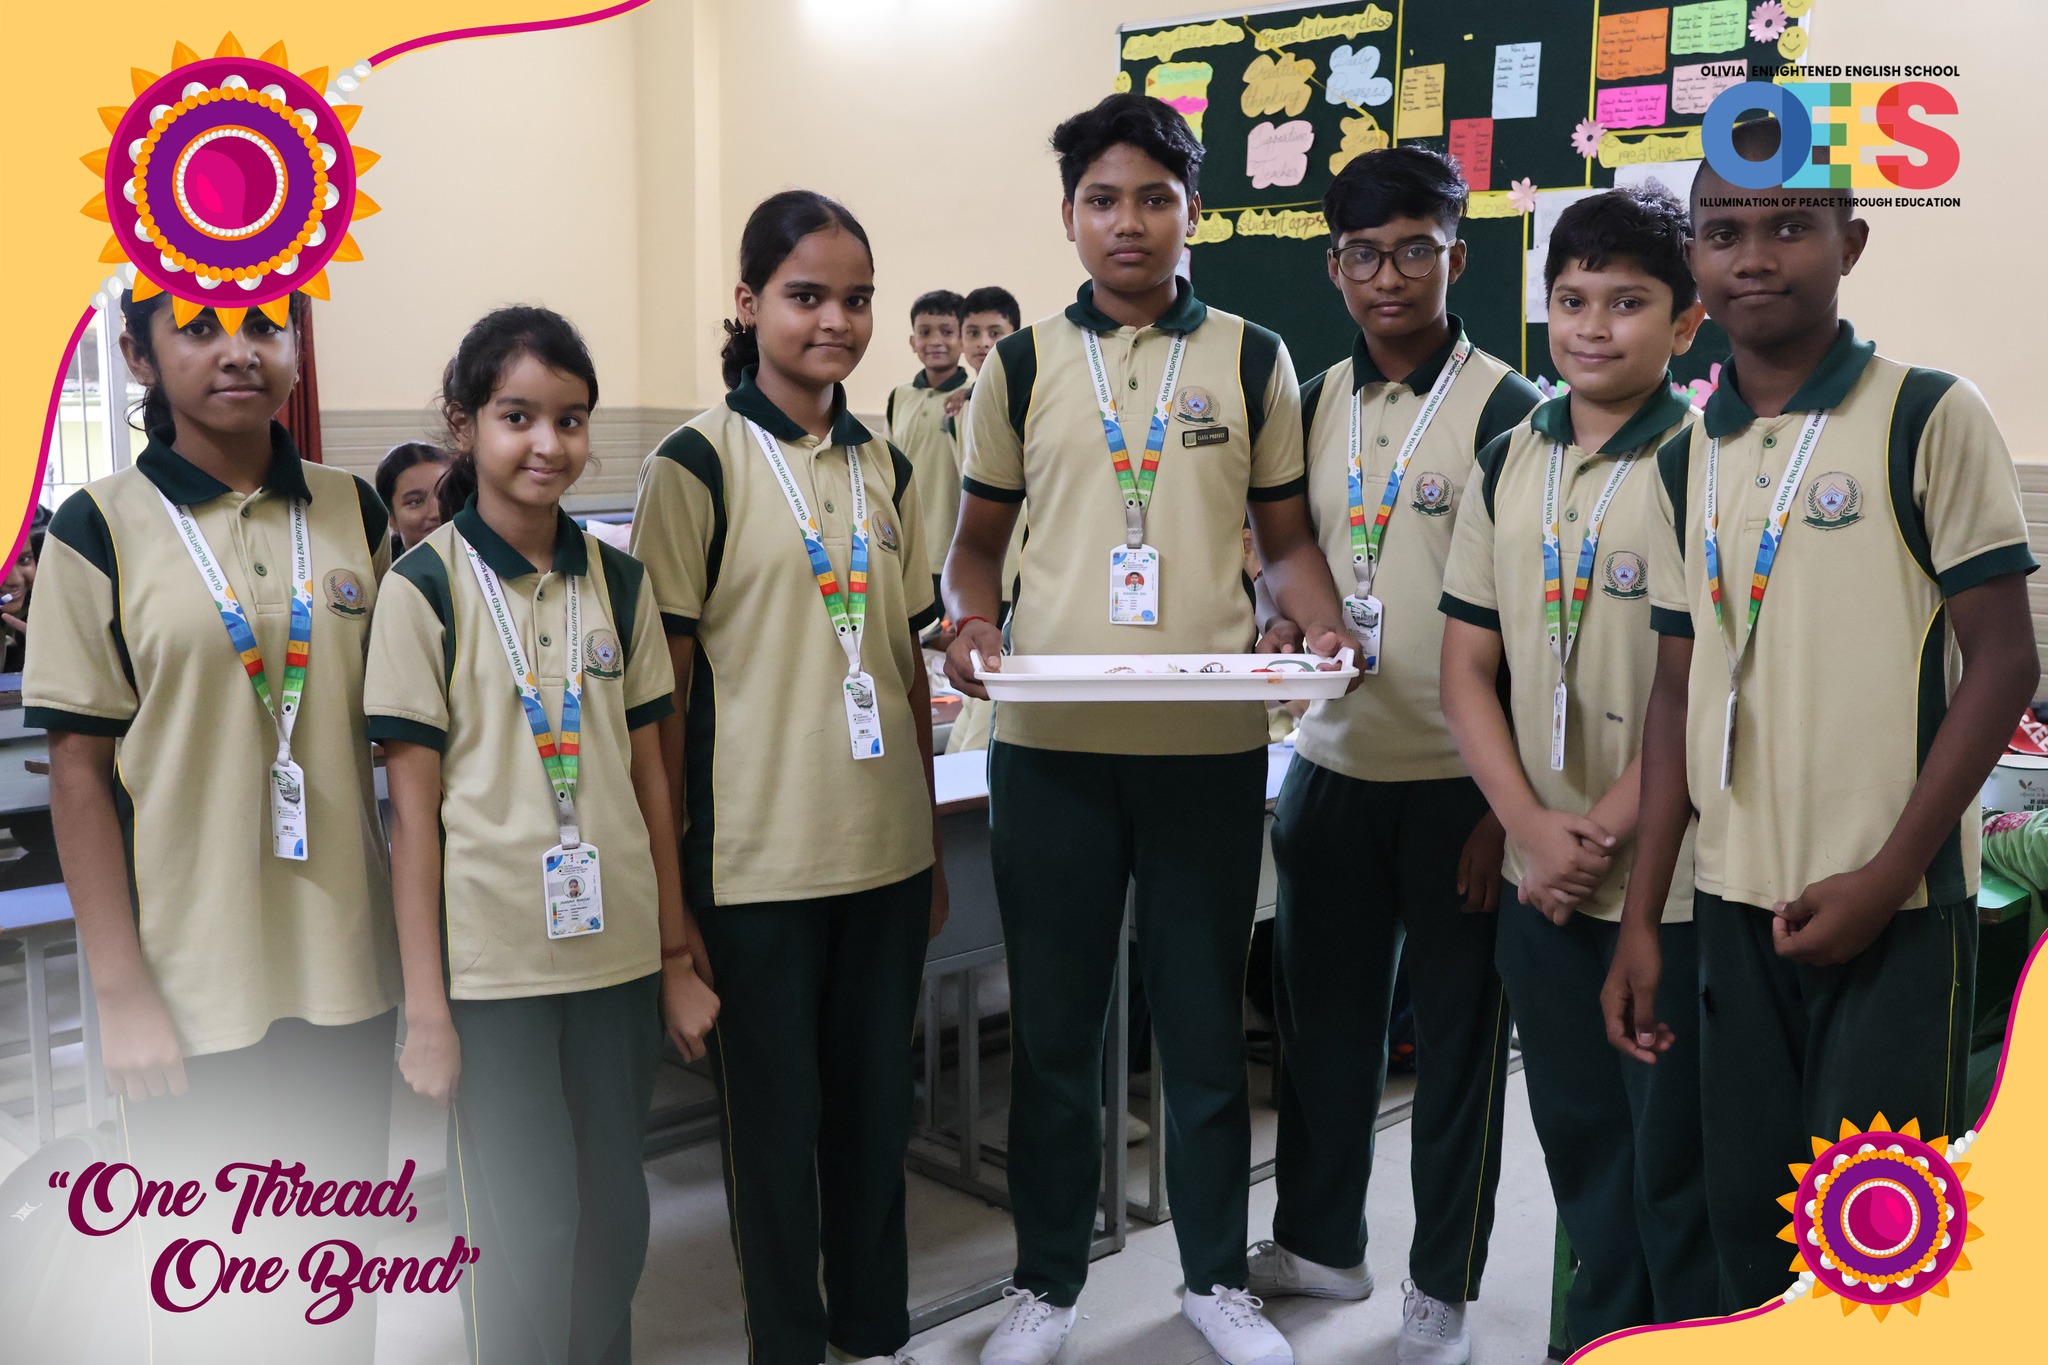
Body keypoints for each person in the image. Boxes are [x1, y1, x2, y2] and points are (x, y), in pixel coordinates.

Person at [943, 92, 1355, 1365]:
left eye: (1155, 199)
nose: (1129, 223)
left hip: (1204, 751)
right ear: (1068, 217)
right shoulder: (1016, 368)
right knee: (1056, 1036)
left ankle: (1215, 1279)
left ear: (1193, 212)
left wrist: (1316, 622)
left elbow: (1283, 544)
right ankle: (1046, 1286)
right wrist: (967, 622)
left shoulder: (1251, 357)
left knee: (1200, 1032)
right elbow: (974, 548)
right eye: (1103, 200)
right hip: (1050, 755)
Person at [1602, 117, 2039, 1310]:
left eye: (1789, 226)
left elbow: (2003, 663)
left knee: (1877, 1244)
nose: (1753, 257)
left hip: (1891, 903)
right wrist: (1643, 914)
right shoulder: (1683, 458)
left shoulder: (1925, 415)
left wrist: (1886, 874)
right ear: (1692, 259)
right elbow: (1676, 692)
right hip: (1732, 899)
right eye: (1722, 232)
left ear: (1849, 242)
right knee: (1749, 1220)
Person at [25, 289, 400, 1365]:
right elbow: (78, 776)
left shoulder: (354, 510)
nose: (238, 352)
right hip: (187, 983)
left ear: (296, 348)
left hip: (347, 964)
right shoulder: (100, 527)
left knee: (332, 1279)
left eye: (265, 327)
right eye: (198, 328)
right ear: (139, 355)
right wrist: (122, 993)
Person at [631, 189, 947, 1365]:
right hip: (754, 871)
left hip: (883, 859)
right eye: (806, 296)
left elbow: (901, 671)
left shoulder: (885, 463)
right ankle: (790, 1345)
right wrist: (674, 913)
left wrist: (924, 847)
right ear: (748, 302)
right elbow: (658, 710)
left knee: (875, 1119)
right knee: (773, 1137)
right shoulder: (692, 466)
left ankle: (875, 1333)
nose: (835, 322)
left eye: (855, 299)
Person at [368, 305, 717, 1365]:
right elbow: (412, 821)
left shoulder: (619, 580)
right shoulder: (422, 588)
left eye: (570, 419)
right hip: (493, 972)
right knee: (523, 1224)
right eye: (517, 416)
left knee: (613, 1215)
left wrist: (672, 956)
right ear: (463, 425)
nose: (547, 444)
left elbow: (651, 782)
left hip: (615, 957)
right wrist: (428, 1010)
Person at [1246, 145, 1538, 1365]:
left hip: (1459, 789)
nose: (1387, 277)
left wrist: (1504, 809)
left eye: (1414, 249)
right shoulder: (1306, 403)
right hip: (1329, 769)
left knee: (1459, 1049)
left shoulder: (1513, 411)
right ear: (1333, 266)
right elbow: (1283, 555)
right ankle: (1321, 1244)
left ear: (1455, 256)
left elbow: (1542, 625)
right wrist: (1277, 618)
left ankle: (1440, 1286)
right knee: (1322, 1033)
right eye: (1362, 254)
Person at [1438, 187, 1717, 1352]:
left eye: (1626, 303)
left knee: (1677, 1164)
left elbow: (1703, 686)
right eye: (1570, 299)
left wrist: (1589, 835)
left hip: (1671, 884)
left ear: (1685, 322)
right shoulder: (1508, 458)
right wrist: (1525, 829)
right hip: (1539, 885)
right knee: (1584, 1155)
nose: (1592, 327)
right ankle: (1592, 1338)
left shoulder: (1709, 459)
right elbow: (1463, 670)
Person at [888, 288, 970, 594]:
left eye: (947, 331)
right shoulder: (899, 397)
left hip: (956, 550)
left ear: (963, 339)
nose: (935, 341)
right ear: (913, 342)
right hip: (905, 547)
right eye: (925, 332)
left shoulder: (975, 397)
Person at [373, 439, 453, 556]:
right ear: (391, 518)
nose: (436, 513)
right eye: (416, 502)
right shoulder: (384, 568)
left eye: (445, 495)